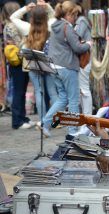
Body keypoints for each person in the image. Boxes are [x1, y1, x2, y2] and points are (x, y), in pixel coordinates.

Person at [42, 0, 91, 138]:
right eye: (74, 14)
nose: (75, 18)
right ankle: (73, 132)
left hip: (55, 67)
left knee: (62, 99)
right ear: (68, 14)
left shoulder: (55, 25)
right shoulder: (67, 27)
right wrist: (88, 44)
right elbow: (77, 47)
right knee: (73, 100)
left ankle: (45, 124)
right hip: (67, 67)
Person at [11, 1, 58, 128]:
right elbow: (55, 16)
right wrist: (47, 6)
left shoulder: (26, 27)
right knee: (53, 92)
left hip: (31, 58)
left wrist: (26, 8)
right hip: (47, 58)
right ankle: (55, 120)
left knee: (39, 91)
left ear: (32, 17)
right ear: (45, 17)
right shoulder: (49, 26)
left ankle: (43, 121)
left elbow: (13, 17)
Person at [2, 1, 32, 129]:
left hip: (19, 61)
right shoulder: (11, 26)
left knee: (22, 90)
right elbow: (18, 44)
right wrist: (28, 39)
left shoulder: (11, 25)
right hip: (17, 61)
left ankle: (22, 117)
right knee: (19, 91)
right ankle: (17, 121)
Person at [74, 1, 93, 115]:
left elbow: (76, 38)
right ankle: (86, 118)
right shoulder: (81, 20)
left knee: (84, 90)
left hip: (84, 59)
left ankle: (88, 120)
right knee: (83, 90)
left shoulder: (81, 21)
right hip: (83, 58)